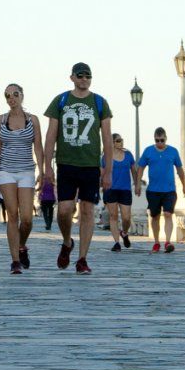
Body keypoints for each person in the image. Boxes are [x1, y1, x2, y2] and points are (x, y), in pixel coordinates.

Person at [43, 62, 113, 275]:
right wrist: (47, 167)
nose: (84, 79)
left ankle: (82, 258)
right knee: (64, 210)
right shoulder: (61, 101)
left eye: (87, 76)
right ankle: (67, 241)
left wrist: (108, 170)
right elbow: (50, 136)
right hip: (66, 163)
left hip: (90, 165)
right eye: (80, 76)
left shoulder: (100, 103)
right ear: (72, 77)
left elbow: (107, 139)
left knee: (87, 210)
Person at [0, 83, 45, 273]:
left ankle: (21, 246)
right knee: (12, 214)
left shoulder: (33, 120)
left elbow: (38, 147)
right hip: (5, 170)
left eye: (14, 94)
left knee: (27, 218)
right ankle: (15, 261)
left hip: (27, 170)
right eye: (7, 96)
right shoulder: (1, 119)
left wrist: (43, 172)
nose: (11, 98)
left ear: (22, 95)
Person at [136, 127, 185, 253]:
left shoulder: (173, 151)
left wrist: (184, 185)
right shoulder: (148, 151)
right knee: (155, 216)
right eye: (157, 140)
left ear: (166, 139)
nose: (159, 143)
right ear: (154, 139)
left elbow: (180, 169)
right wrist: (137, 183)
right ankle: (157, 242)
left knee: (168, 214)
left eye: (162, 140)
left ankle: (168, 241)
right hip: (153, 190)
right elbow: (141, 168)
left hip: (169, 190)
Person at [103, 133, 138, 252]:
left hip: (125, 190)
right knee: (113, 216)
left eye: (121, 140)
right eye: (118, 140)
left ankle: (124, 233)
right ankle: (116, 242)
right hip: (110, 189)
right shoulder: (106, 157)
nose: (121, 142)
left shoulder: (128, 155)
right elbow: (101, 173)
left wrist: (137, 184)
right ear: (112, 143)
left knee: (126, 218)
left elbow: (134, 171)